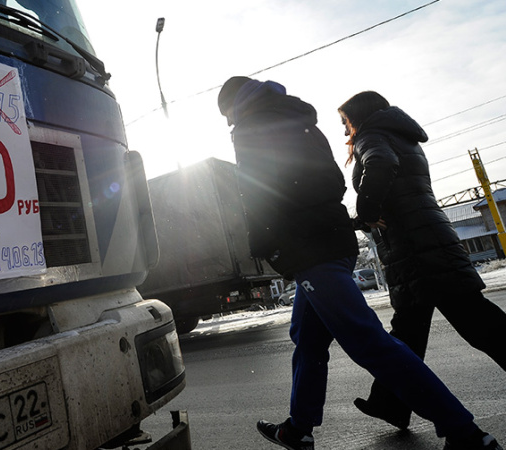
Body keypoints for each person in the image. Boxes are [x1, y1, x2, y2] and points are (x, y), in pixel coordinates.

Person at [217, 76, 502, 450]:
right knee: (308, 339)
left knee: (368, 341)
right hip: (332, 240)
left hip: (310, 248)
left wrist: (266, 244)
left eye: (226, 115)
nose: (228, 123)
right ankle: (298, 427)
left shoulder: (253, 127)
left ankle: (464, 432)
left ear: (235, 105)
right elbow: (332, 182)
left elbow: (256, 194)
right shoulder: (299, 121)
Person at [338, 90, 506, 430]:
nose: (345, 132)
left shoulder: (373, 136)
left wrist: (367, 210)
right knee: (409, 335)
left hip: (419, 250)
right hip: (426, 242)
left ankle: (393, 402)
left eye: (345, 123)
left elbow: (382, 166)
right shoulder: (404, 138)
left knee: (478, 325)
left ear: (358, 117)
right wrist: (365, 219)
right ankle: (391, 403)